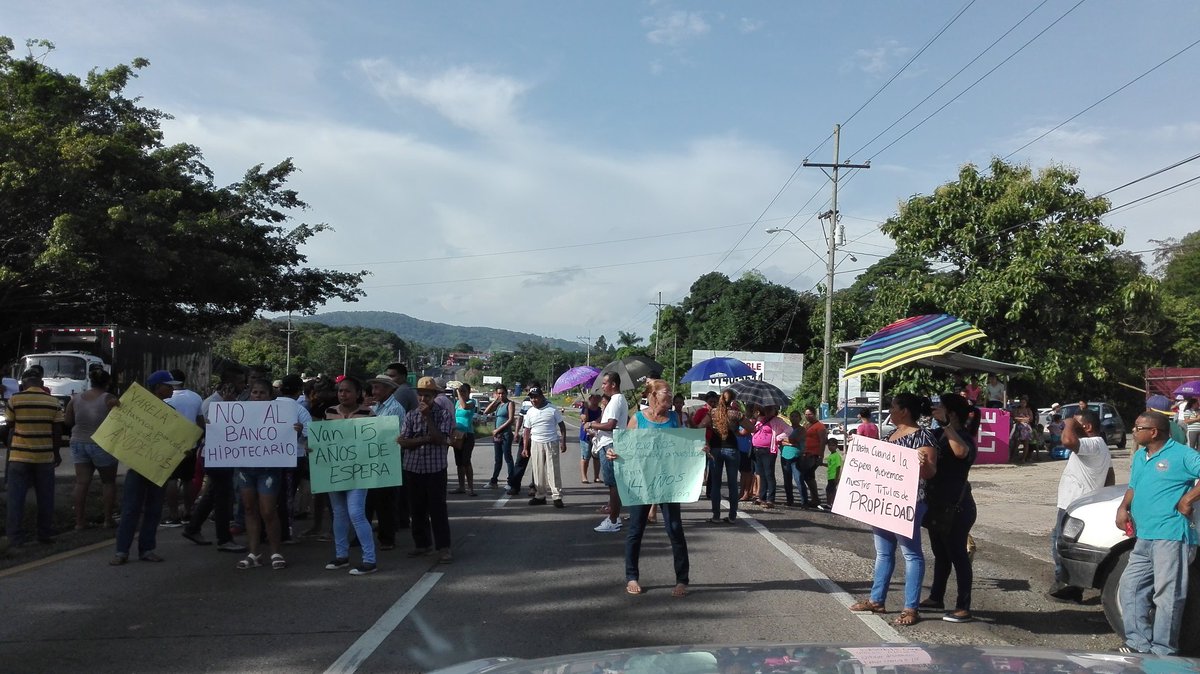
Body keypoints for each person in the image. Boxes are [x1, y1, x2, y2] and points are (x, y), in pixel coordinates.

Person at [1115, 411, 1200, 655]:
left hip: (1172, 535)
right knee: (1130, 586)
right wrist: (1123, 507)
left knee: (1168, 595)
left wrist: (1188, 499)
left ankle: (1163, 651)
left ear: (1153, 432)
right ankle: (1138, 644)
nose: (1134, 430)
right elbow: (1134, 486)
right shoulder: (1141, 456)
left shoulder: (1182, 454)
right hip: (1145, 536)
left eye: (1138, 427)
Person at [849, 393, 938, 626]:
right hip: (884, 502)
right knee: (883, 553)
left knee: (911, 554)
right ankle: (877, 600)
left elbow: (930, 473)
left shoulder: (923, 436)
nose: (890, 411)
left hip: (909, 503)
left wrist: (923, 463)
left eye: (893, 407)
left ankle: (911, 608)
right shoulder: (890, 436)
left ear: (905, 411)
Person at [613, 379, 695, 597]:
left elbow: (683, 446)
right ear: (653, 395)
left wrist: (699, 448)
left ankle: (681, 580)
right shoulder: (637, 419)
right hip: (642, 483)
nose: (670, 396)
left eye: (670, 393)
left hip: (667, 482)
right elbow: (625, 448)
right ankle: (632, 576)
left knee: (675, 529)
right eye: (666, 393)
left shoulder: (674, 419)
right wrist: (614, 452)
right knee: (636, 530)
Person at [110, 370, 182, 564]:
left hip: (158, 467)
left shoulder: (170, 414)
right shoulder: (135, 409)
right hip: (138, 466)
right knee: (131, 509)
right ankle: (121, 551)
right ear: (158, 388)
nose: (172, 390)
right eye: (169, 386)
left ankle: (147, 549)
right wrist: (112, 404)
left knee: (154, 509)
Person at [921, 393, 979, 623]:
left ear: (952, 413)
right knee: (941, 554)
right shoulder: (937, 435)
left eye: (941, 408)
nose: (936, 411)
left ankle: (963, 607)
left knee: (958, 555)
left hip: (958, 509)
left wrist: (945, 424)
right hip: (937, 506)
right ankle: (937, 597)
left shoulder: (964, 437)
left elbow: (960, 452)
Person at [1046, 408, 1112, 602]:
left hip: (1074, 503)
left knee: (1062, 543)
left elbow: (1066, 440)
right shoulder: (1098, 445)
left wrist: (1069, 422)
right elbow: (1110, 474)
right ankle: (1068, 585)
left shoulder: (1093, 442)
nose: (1070, 426)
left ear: (1087, 427)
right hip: (1078, 502)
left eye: (1076, 424)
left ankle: (1067, 585)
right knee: (1060, 539)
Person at [182, 375, 247, 552]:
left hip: (223, 456)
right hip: (216, 457)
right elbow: (214, 430)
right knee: (223, 498)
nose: (244, 386)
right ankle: (224, 539)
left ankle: (193, 528)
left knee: (212, 494)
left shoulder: (227, 402)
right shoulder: (213, 404)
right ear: (228, 388)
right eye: (241, 383)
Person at [324, 376, 379, 575]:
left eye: (347, 391)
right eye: (340, 390)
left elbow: (377, 441)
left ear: (358, 394)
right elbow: (324, 440)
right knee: (339, 514)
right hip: (335, 470)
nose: (343, 394)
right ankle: (341, 556)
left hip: (358, 471)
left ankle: (369, 559)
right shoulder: (330, 412)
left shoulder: (368, 414)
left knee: (356, 513)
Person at [396, 376, 454, 563]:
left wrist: (428, 418)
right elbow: (403, 441)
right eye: (420, 395)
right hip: (413, 468)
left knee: (437, 509)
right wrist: (424, 439)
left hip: (435, 468)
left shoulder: (444, 415)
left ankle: (443, 547)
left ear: (434, 396)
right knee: (417, 508)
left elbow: (440, 439)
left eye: (427, 396)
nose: (423, 400)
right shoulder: (411, 415)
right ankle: (422, 544)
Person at [5, 368, 65, 545]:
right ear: (42, 383)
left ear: (23, 384)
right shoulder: (53, 402)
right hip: (44, 458)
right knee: (45, 498)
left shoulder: (15, 399)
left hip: (19, 457)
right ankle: (44, 534)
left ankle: (15, 538)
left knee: (16, 499)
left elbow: (9, 424)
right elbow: (57, 431)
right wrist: (57, 454)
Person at [233, 379, 288, 571]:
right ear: (250, 394)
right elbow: (227, 434)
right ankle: (253, 553)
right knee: (249, 509)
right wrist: (216, 427)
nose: (258, 396)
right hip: (245, 469)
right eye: (255, 392)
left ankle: (275, 551)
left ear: (270, 395)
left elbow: (288, 436)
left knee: (268, 510)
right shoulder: (237, 413)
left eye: (262, 393)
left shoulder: (280, 414)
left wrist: (294, 430)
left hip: (268, 470)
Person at [65, 367, 119, 530]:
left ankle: (80, 522)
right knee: (108, 482)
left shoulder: (75, 399)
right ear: (108, 383)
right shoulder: (109, 398)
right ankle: (108, 520)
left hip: (78, 442)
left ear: (90, 381)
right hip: (102, 444)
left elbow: (68, 422)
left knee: (81, 483)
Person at [586, 372, 629, 533]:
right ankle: (613, 516)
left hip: (611, 444)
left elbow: (610, 425)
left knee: (613, 484)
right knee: (612, 484)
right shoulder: (615, 401)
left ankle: (613, 519)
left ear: (613, 384)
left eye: (605, 383)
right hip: (609, 442)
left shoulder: (617, 400)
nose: (602, 386)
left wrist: (591, 424)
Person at [366, 374, 404, 548]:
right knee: (369, 499)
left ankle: (387, 538)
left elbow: (387, 434)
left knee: (385, 501)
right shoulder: (376, 406)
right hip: (373, 458)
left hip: (387, 459)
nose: (374, 391)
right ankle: (364, 536)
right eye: (373, 388)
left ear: (389, 389)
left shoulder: (394, 408)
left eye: (378, 388)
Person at [162, 369, 204, 527]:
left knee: (171, 479)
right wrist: (196, 441)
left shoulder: (165, 399)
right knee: (188, 480)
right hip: (190, 445)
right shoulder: (195, 397)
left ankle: (173, 515)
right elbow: (200, 423)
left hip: (169, 444)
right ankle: (188, 512)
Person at [706, 389, 750, 522]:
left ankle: (716, 515)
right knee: (732, 483)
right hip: (732, 448)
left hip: (715, 448)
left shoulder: (712, 412)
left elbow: (700, 425)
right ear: (732, 400)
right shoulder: (736, 414)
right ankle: (732, 516)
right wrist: (737, 431)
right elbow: (752, 428)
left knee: (716, 483)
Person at [521, 386, 568, 508]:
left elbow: (562, 427)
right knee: (537, 470)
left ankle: (557, 496)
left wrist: (563, 442)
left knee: (553, 470)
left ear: (541, 397)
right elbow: (526, 431)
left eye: (536, 397)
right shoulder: (530, 412)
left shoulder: (552, 409)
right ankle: (540, 495)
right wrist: (525, 447)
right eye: (531, 397)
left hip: (551, 442)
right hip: (536, 442)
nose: (533, 400)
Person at [751, 405, 790, 509]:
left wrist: (778, 438)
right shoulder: (761, 419)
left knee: (769, 474)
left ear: (774, 410)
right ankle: (762, 497)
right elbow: (753, 430)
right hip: (757, 449)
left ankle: (770, 499)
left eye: (770, 409)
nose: (768, 411)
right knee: (761, 473)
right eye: (766, 409)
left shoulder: (777, 420)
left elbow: (789, 430)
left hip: (769, 450)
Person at [483, 384, 517, 488]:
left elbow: (510, 420)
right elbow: (486, 411)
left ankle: (511, 481)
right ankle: (494, 481)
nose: (501, 395)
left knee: (508, 458)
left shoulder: (510, 404)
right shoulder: (498, 405)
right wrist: (495, 401)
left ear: (506, 393)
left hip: (505, 434)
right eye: (499, 393)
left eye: (503, 393)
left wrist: (498, 429)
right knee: (498, 459)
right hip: (497, 436)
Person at [452, 383, 478, 496]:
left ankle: (471, 488)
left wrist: (459, 394)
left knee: (466, 461)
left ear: (468, 392)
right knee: (459, 462)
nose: (462, 393)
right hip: (457, 434)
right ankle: (461, 486)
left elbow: (464, 407)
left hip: (467, 434)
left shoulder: (471, 402)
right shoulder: (457, 402)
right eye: (460, 391)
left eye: (464, 391)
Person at [800, 407, 827, 508]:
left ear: (814, 414)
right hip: (806, 453)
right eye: (806, 414)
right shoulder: (807, 425)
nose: (808, 416)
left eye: (810, 414)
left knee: (809, 476)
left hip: (814, 454)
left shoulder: (820, 427)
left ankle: (815, 498)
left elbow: (823, 441)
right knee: (808, 476)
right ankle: (814, 498)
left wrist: (821, 456)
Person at [578, 394, 602, 484]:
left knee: (596, 456)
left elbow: (601, 420)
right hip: (586, 435)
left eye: (597, 397)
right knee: (585, 456)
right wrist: (586, 408)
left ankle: (596, 476)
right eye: (594, 397)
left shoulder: (600, 410)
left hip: (597, 435)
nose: (596, 399)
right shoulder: (584, 409)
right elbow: (584, 419)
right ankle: (584, 477)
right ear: (590, 398)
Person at [820, 437, 842, 512]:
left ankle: (829, 504)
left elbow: (838, 467)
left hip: (834, 476)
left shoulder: (837, 456)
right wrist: (823, 464)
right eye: (829, 445)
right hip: (830, 476)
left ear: (836, 446)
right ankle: (832, 504)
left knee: (829, 490)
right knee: (831, 490)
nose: (830, 447)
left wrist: (836, 478)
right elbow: (830, 465)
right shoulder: (831, 455)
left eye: (832, 445)